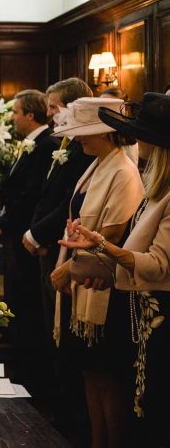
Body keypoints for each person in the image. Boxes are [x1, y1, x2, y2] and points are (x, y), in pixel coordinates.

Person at [60, 92, 170, 447]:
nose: (138, 140)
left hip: (154, 314)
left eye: (144, 134)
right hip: (134, 303)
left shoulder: (133, 177)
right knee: (134, 396)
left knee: (146, 404)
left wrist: (102, 246)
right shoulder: (155, 187)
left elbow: (156, 264)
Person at [50, 97, 144, 448]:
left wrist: (70, 271)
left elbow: (115, 234)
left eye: (84, 134)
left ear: (106, 133)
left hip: (102, 285)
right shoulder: (96, 165)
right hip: (81, 281)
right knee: (90, 373)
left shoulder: (123, 171)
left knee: (107, 377)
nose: (78, 140)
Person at [22, 78, 93, 440]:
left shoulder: (82, 152)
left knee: (63, 336)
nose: (50, 116)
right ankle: (57, 410)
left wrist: (39, 233)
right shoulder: (62, 144)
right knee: (53, 334)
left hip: (67, 249)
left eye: (54, 108)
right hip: (53, 246)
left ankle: (68, 420)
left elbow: (69, 202)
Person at [0, 89, 58, 395]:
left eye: (15, 112)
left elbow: (31, 197)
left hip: (28, 238)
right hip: (17, 238)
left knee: (27, 305)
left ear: (30, 114)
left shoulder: (46, 147)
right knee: (16, 300)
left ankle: (30, 375)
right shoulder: (31, 145)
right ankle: (19, 367)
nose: (12, 117)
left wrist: (6, 224)